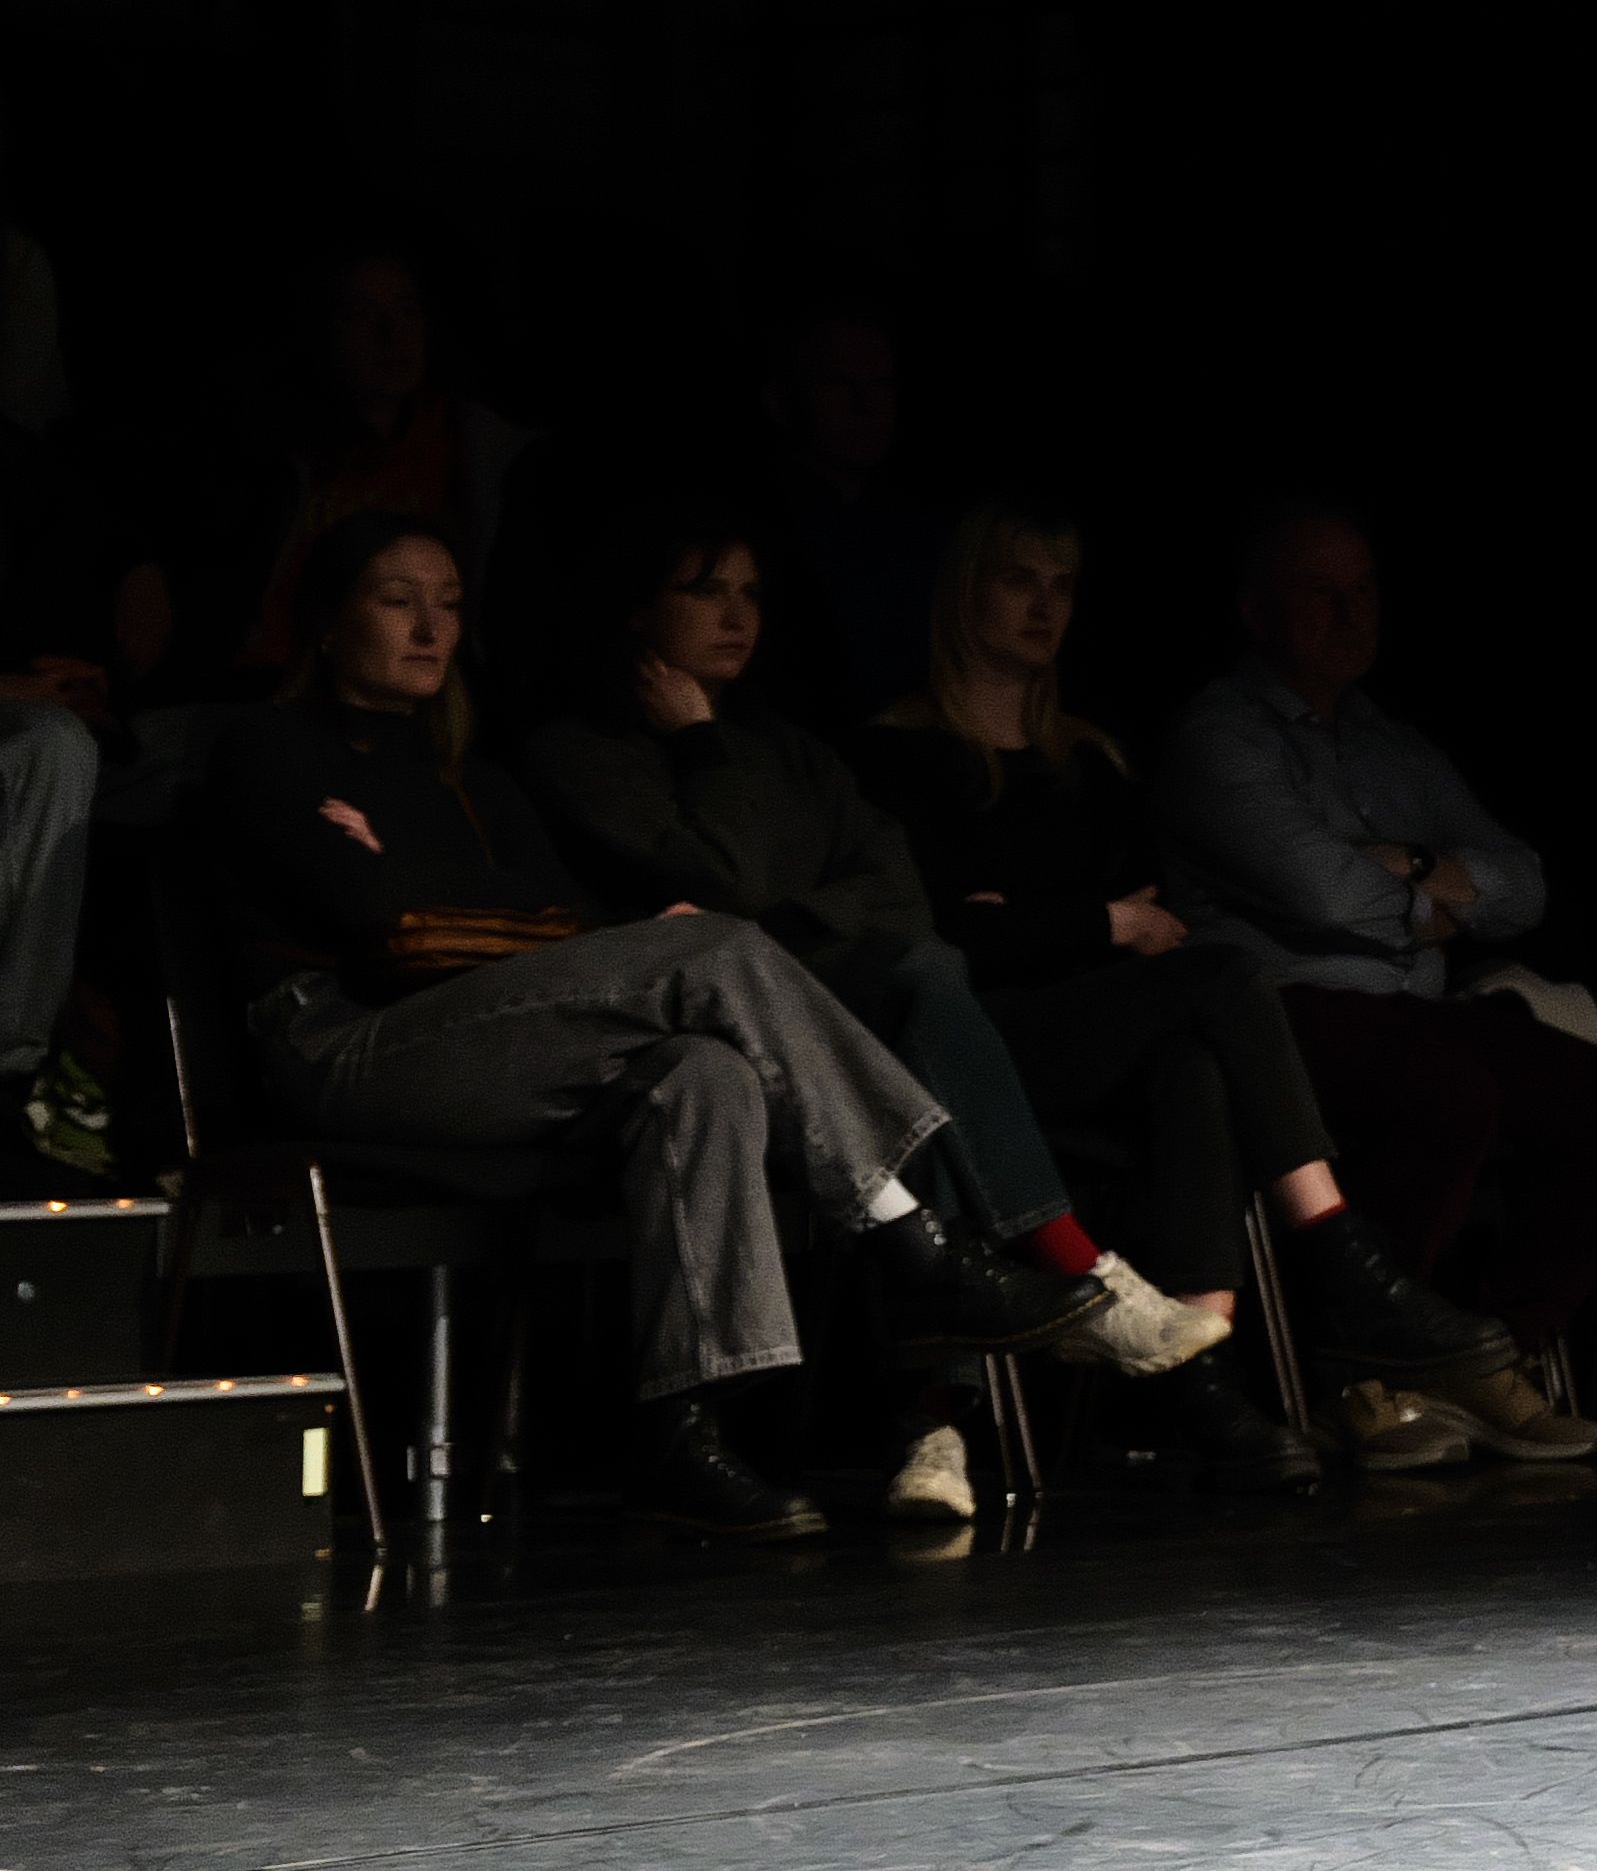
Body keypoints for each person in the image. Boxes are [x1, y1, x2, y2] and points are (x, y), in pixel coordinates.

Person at [197, 506, 1101, 1538]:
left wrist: (444, 896)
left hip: (480, 1037)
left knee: (704, 1074)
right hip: (340, 1045)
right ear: (329, 621)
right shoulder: (267, 747)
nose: (430, 627)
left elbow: (554, 917)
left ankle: (684, 1429)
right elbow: (382, 926)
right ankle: (919, 1247)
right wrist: (475, 911)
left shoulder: (473, 776)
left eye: (447, 603)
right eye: (398, 601)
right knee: (714, 947)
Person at [516, 505, 1242, 1510]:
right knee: (920, 995)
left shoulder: (793, 752)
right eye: (705, 590)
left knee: (920, 1004)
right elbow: (724, 888)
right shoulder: (585, 752)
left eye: (750, 593)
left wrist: (774, 920)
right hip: (708, 1056)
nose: (736, 615)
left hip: (849, 1030)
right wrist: (699, 745)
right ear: (640, 611)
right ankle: (1072, 1282)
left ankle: (935, 1427)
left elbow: (895, 894)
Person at [846, 500, 1531, 1485]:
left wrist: (1044, 920)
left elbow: (1149, 918)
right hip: (974, 1047)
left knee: (1194, 1061)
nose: (1044, 606)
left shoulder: (1091, 757)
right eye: (1018, 579)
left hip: (1091, 1022)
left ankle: (1198, 1375)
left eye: (1062, 585)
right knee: (1222, 977)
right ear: (965, 592)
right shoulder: (897, 753)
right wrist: (1094, 922)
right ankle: (1339, 1253)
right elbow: (945, 944)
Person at [1151, 503, 1597, 1463]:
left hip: (1413, 1007)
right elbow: (1326, 892)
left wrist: (1413, 865)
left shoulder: (1396, 746)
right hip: (1276, 1014)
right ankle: (1363, 1372)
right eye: (1321, 592)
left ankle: (1490, 1352)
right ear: (1256, 609)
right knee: (1439, 1091)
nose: (1351, 613)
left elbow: (1526, 882)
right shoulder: (1222, 736)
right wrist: (1441, 895)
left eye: (1365, 589)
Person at [219, 244, 527, 679]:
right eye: (360, 315)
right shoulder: (267, 455)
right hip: (276, 679)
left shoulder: (475, 443)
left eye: (406, 310)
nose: (391, 335)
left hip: (428, 682)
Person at [1, 407, 167, 1177]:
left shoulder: (29, 471)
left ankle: (158, 1105)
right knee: (52, 747)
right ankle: (14, 1070)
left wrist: (138, 565)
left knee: (188, 762)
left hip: (58, 712)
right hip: (25, 719)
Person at [747, 306, 943, 736]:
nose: (864, 405)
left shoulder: (926, 529)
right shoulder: (749, 532)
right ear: (781, 402)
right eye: (837, 384)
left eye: (880, 386)